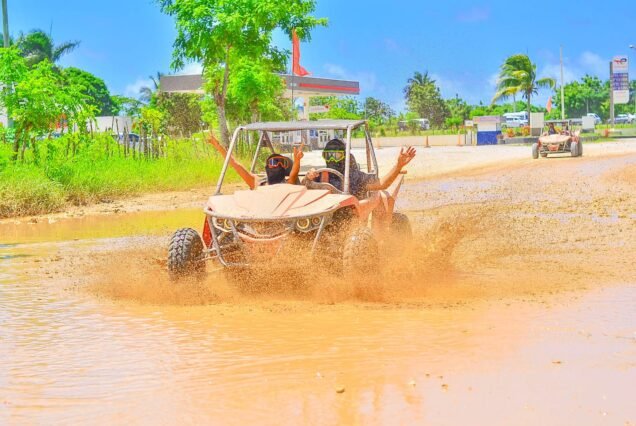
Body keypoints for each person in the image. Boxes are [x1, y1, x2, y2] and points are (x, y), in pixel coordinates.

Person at [304, 138, 416, 199]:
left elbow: (382, 184)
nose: (332, 159)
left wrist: (398, 165)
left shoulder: (355, 177)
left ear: (345, 157)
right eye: (328, 155)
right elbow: (301, 189)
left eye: (336, 155)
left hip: (351, 220)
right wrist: (308, 178)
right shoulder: (319, 176)